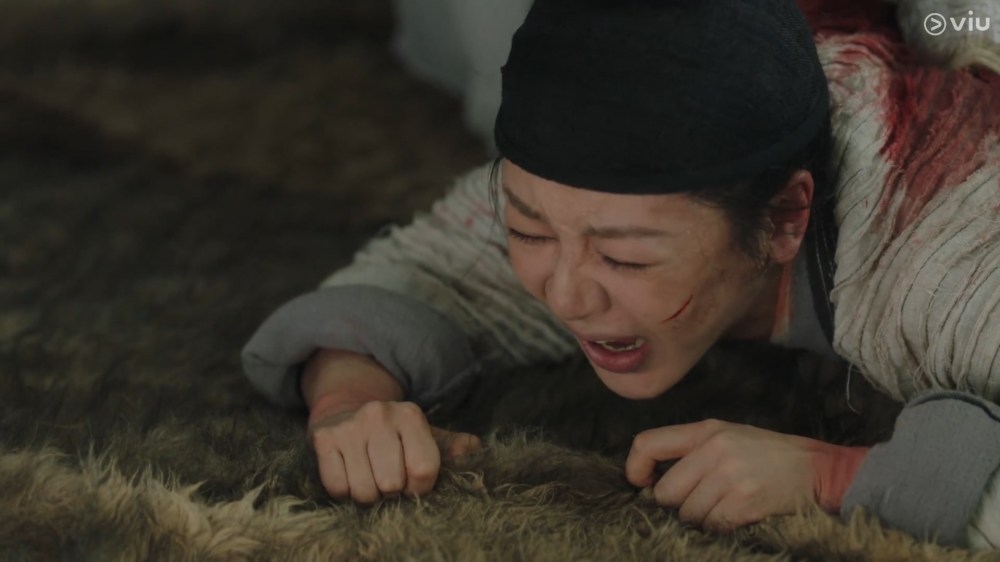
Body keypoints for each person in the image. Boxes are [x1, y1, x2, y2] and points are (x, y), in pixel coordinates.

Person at [242, 0, 1000, 549]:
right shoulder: (584, 172)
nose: (566, 294)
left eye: (625, 258)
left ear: (785, 217)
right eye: (528, 230)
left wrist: (835, 475)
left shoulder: (937, 266)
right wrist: (349, 403)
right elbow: (411, 276)